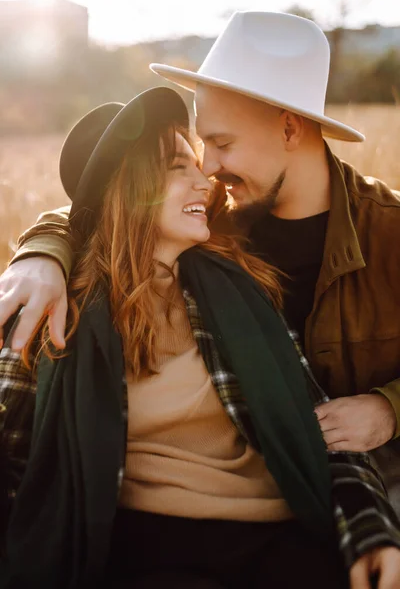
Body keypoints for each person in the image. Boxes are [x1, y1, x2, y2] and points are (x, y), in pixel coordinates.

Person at [1, 87, 400, 589]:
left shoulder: (240, 285)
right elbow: (10, 454)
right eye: (178, 167)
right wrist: (40, 254)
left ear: (290, 129)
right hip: (151, 545)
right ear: (131, 190)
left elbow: (319, 429)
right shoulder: (58, 308)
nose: (206, 178)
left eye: (213, 151)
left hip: (283, 531)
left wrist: (372, 534)